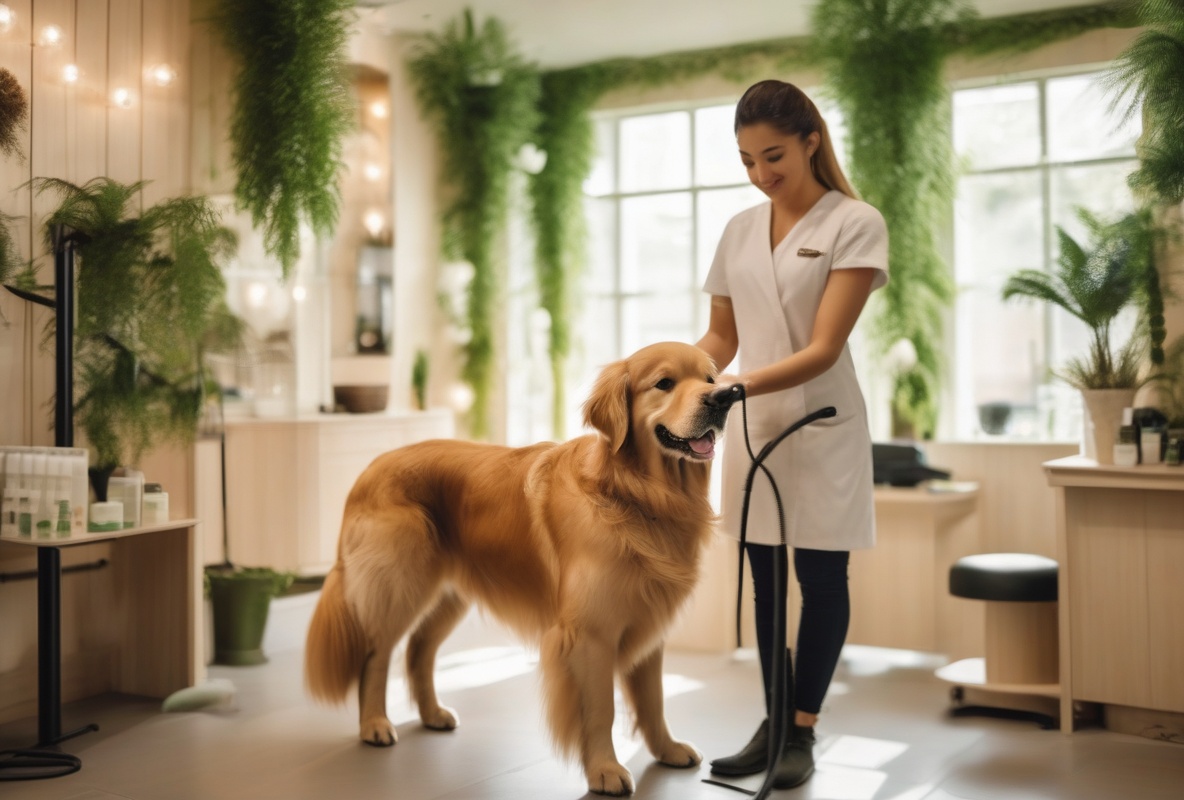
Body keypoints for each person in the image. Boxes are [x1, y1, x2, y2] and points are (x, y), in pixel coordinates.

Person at [695, 78, 888, 790]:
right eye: (747, 160)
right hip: (751, 426)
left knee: (820, 578)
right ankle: (772, 726)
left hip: (822, 424)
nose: (760, 174)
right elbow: (721, 335)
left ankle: (802, 730)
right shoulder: (739, 229)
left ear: (811, 141)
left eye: (772, 155)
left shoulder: (854, 222)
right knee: (765, 582)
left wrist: (732, 385)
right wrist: (686, 375)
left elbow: (823, 347)